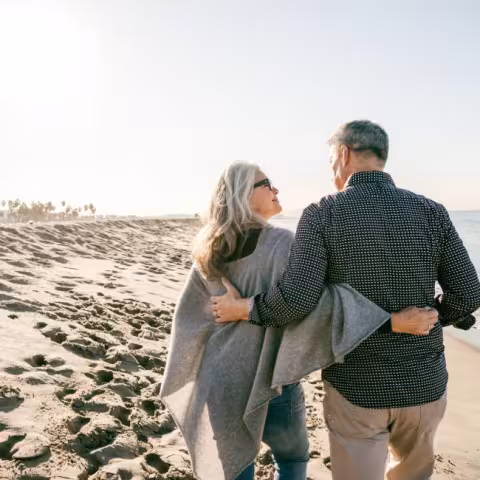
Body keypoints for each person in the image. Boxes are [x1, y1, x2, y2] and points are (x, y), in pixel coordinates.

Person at [212, 120, 480, 480]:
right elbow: (468, 294)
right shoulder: (432, 211)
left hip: (357, 385)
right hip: (424, 382)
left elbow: (297, 300)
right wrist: (433, 316)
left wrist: (247, 308)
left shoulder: (323, 213)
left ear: (342, 154)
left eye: (329, 160)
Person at [161, 161, 437, 480]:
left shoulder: (207, 249)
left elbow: (189, 320)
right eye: (266, 184)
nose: (276, 189)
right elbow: (316, 305)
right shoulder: (282, 243)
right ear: (243, 195)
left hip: (220, 380)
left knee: (234, 465)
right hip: (273, 379)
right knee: (292, 459)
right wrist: (390, 320)